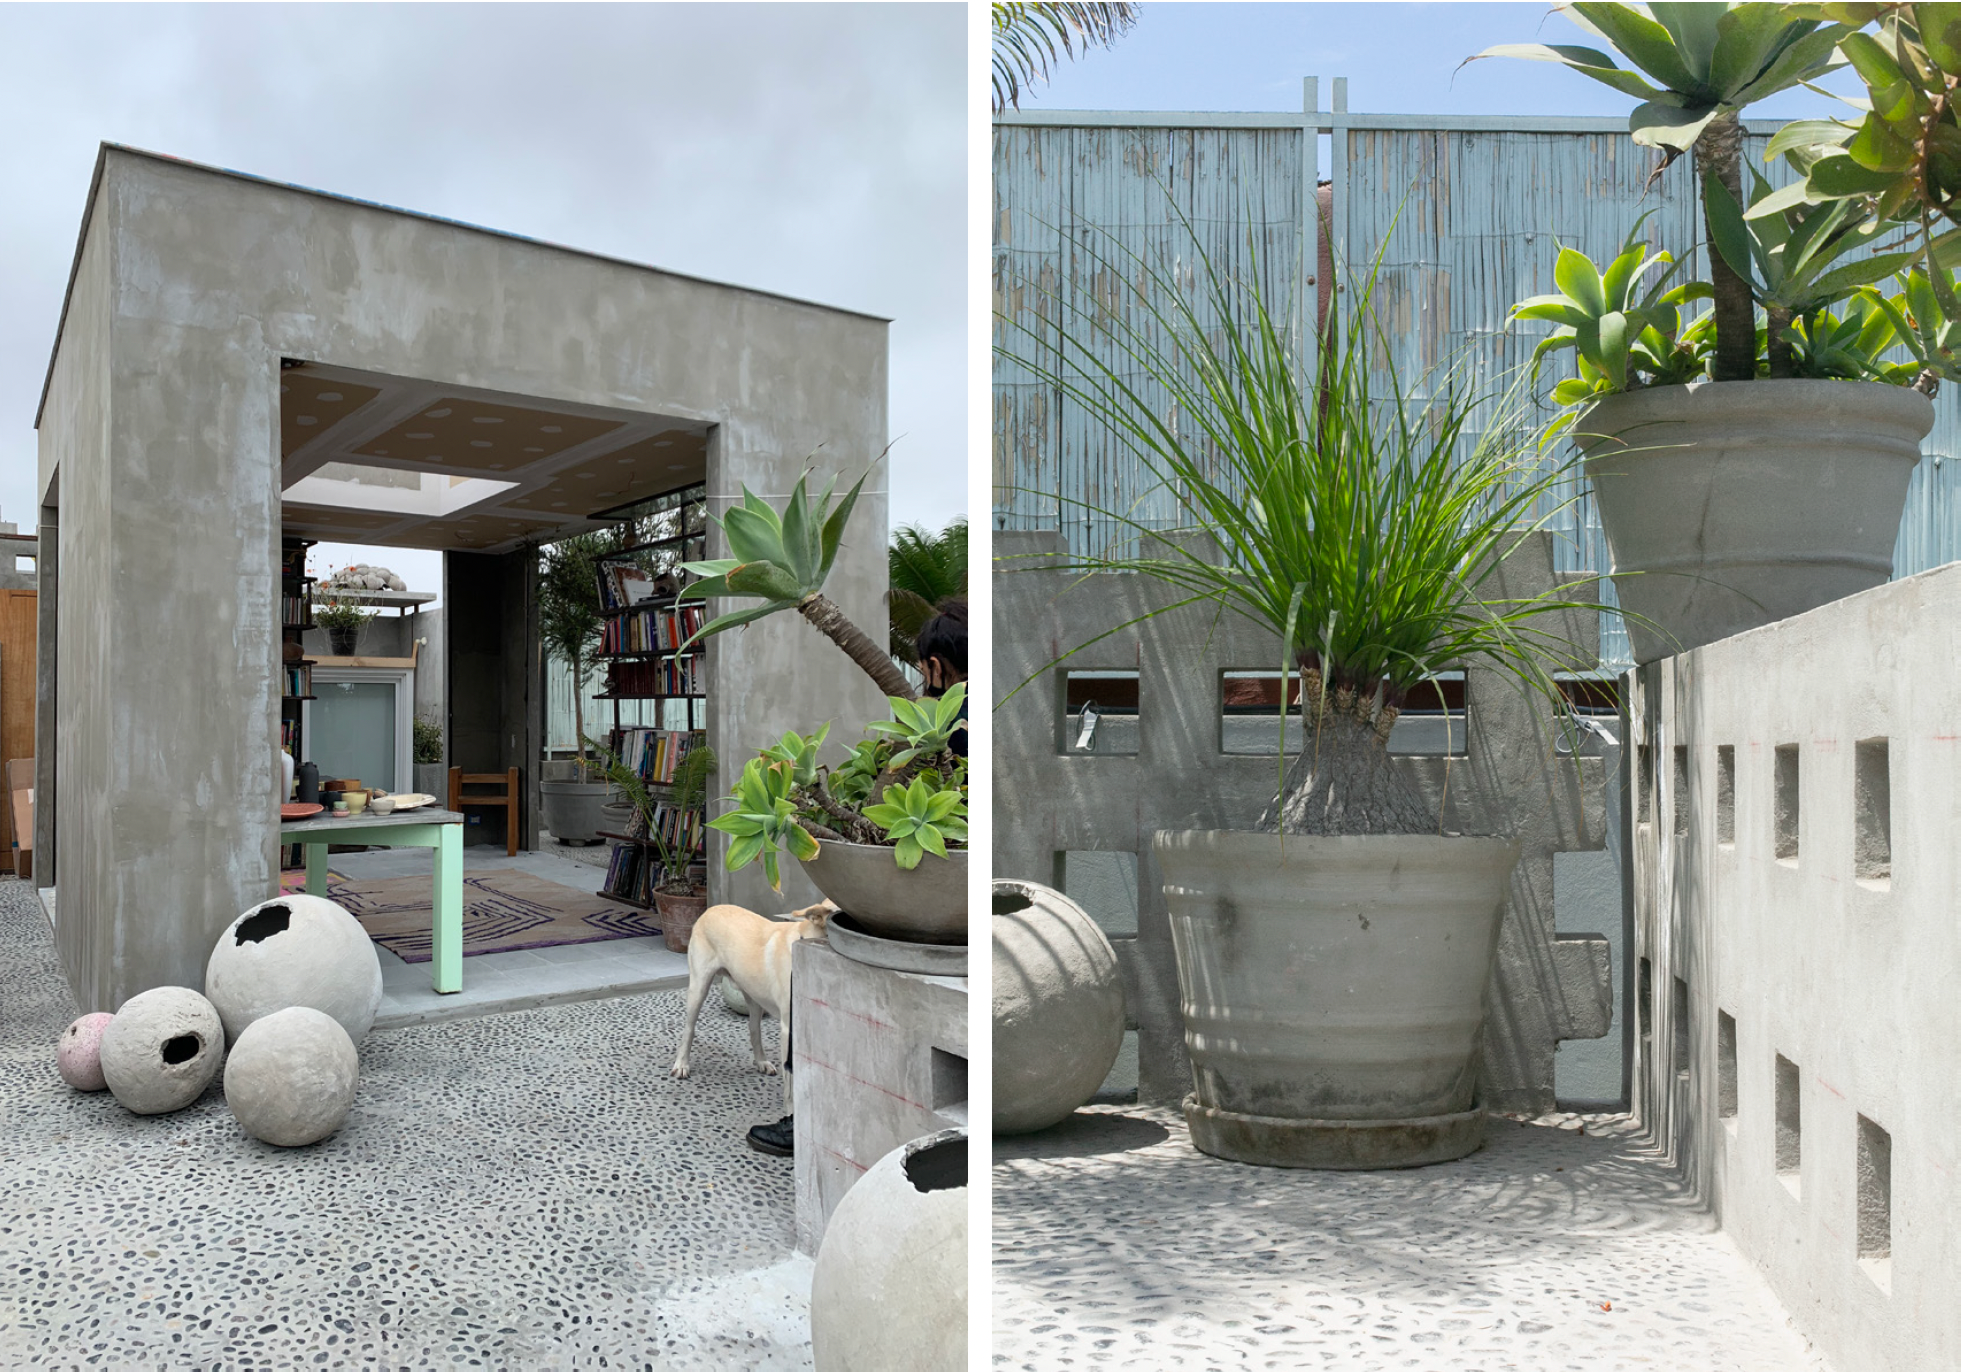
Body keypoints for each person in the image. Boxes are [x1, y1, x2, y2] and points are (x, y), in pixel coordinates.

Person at [745, 599, 970, 1158]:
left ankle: (808, 1118)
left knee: (818, 953)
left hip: (921, 904)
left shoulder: (936, 729)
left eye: (924, 666)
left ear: (936, 667)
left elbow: (876, 814)